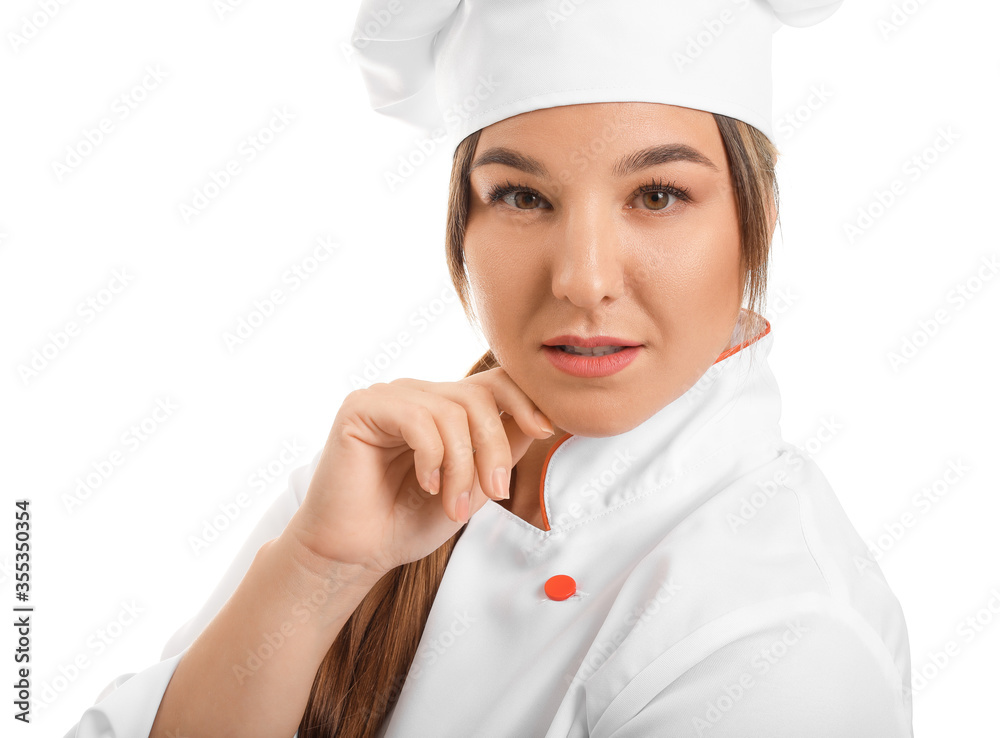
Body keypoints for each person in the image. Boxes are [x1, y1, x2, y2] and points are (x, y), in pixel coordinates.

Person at [64, 0, 914, 736]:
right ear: (460, 227)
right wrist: (319, 572)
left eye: (657, 196)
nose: (583, 279)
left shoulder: (783, 640)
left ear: (756, 220)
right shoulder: (369, 491)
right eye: (522, 196)